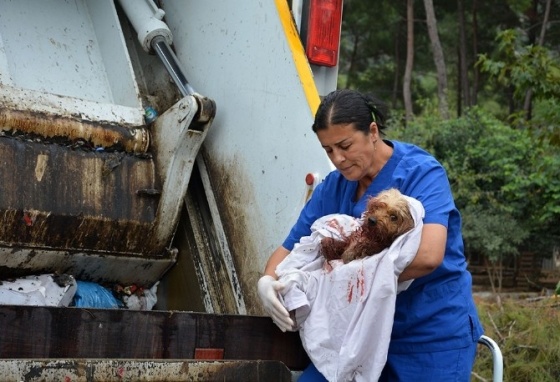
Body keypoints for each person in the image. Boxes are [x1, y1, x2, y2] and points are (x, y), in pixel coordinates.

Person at [257, 89, 484, 381]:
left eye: (345, 145)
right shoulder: (333, 187)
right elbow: (289, 251)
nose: (338, 158)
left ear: (372, 131)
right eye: (328, 150)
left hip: (427, 335)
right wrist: (268, 281)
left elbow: (428, 256)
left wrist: (345, 279)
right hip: (356, 337)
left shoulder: (421, 173)